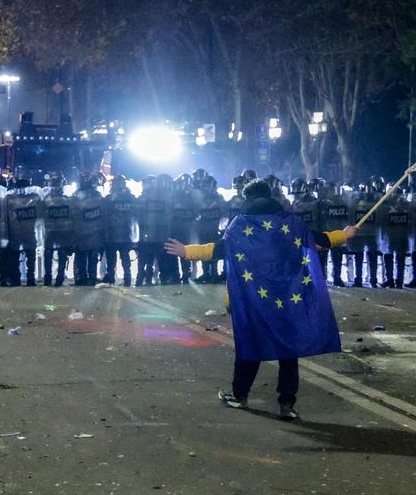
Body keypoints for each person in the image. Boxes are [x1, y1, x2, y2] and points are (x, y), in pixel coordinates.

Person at [164, 179, 356, 420]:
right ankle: (287, 404)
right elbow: (318, 241)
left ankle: (239, 394)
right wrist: (344, 235)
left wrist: (187, 251)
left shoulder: (240, 225)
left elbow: (219, 250)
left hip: (253, 301)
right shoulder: (290, 222)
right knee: (289, 351)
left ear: (248, 198)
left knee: (251, 345)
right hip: (287, 300)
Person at [5, 176, 41, 287]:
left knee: (19, 257)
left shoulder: (10, 198)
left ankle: (20, 279)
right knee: (28, 256)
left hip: (18, 231)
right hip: (26, 231)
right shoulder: (34, 198)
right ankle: (28, 279)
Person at [41, 172, 75, 287]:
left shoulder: (48, 199)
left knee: (55, 254)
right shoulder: (64, 199)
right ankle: (53, 277)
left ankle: (55, 277)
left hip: (58, 231)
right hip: (56, 231)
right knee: (52, 254)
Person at [103, 174, 136, 286]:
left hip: (117, 234)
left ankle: (119, 277)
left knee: (118, 259)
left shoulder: (109, 199)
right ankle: (124, 277)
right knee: (120, 259)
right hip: (119, 234)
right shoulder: (129, 198)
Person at [73, 172, 105, 286]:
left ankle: (80, 278)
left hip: (81, 232)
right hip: (95, 232)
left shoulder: (76, 195)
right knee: (92, 258)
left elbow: (73, 214)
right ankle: (91, 278)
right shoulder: (97, 195)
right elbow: (102, 213)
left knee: (81, 257)